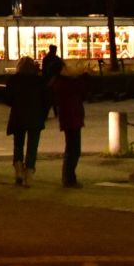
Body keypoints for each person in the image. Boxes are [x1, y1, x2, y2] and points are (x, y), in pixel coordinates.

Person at [5, 56, 50, 185]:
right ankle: (29, 172)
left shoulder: (14, 80)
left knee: (18, 143)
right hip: (35, 116)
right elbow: (47, 100)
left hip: (18, 115)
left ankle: (18, 166)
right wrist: (43, 114)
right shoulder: (39, 81)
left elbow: (7, 99)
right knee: (32, 145)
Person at [52, 59, 91, 187]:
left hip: (70, 118)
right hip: (72, 118)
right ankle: (69, 178)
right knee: (73, 149)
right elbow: (82, 88)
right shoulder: (67, 83)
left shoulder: (61, 83)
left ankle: (68, 177)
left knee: (71, 148)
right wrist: (85, 75)